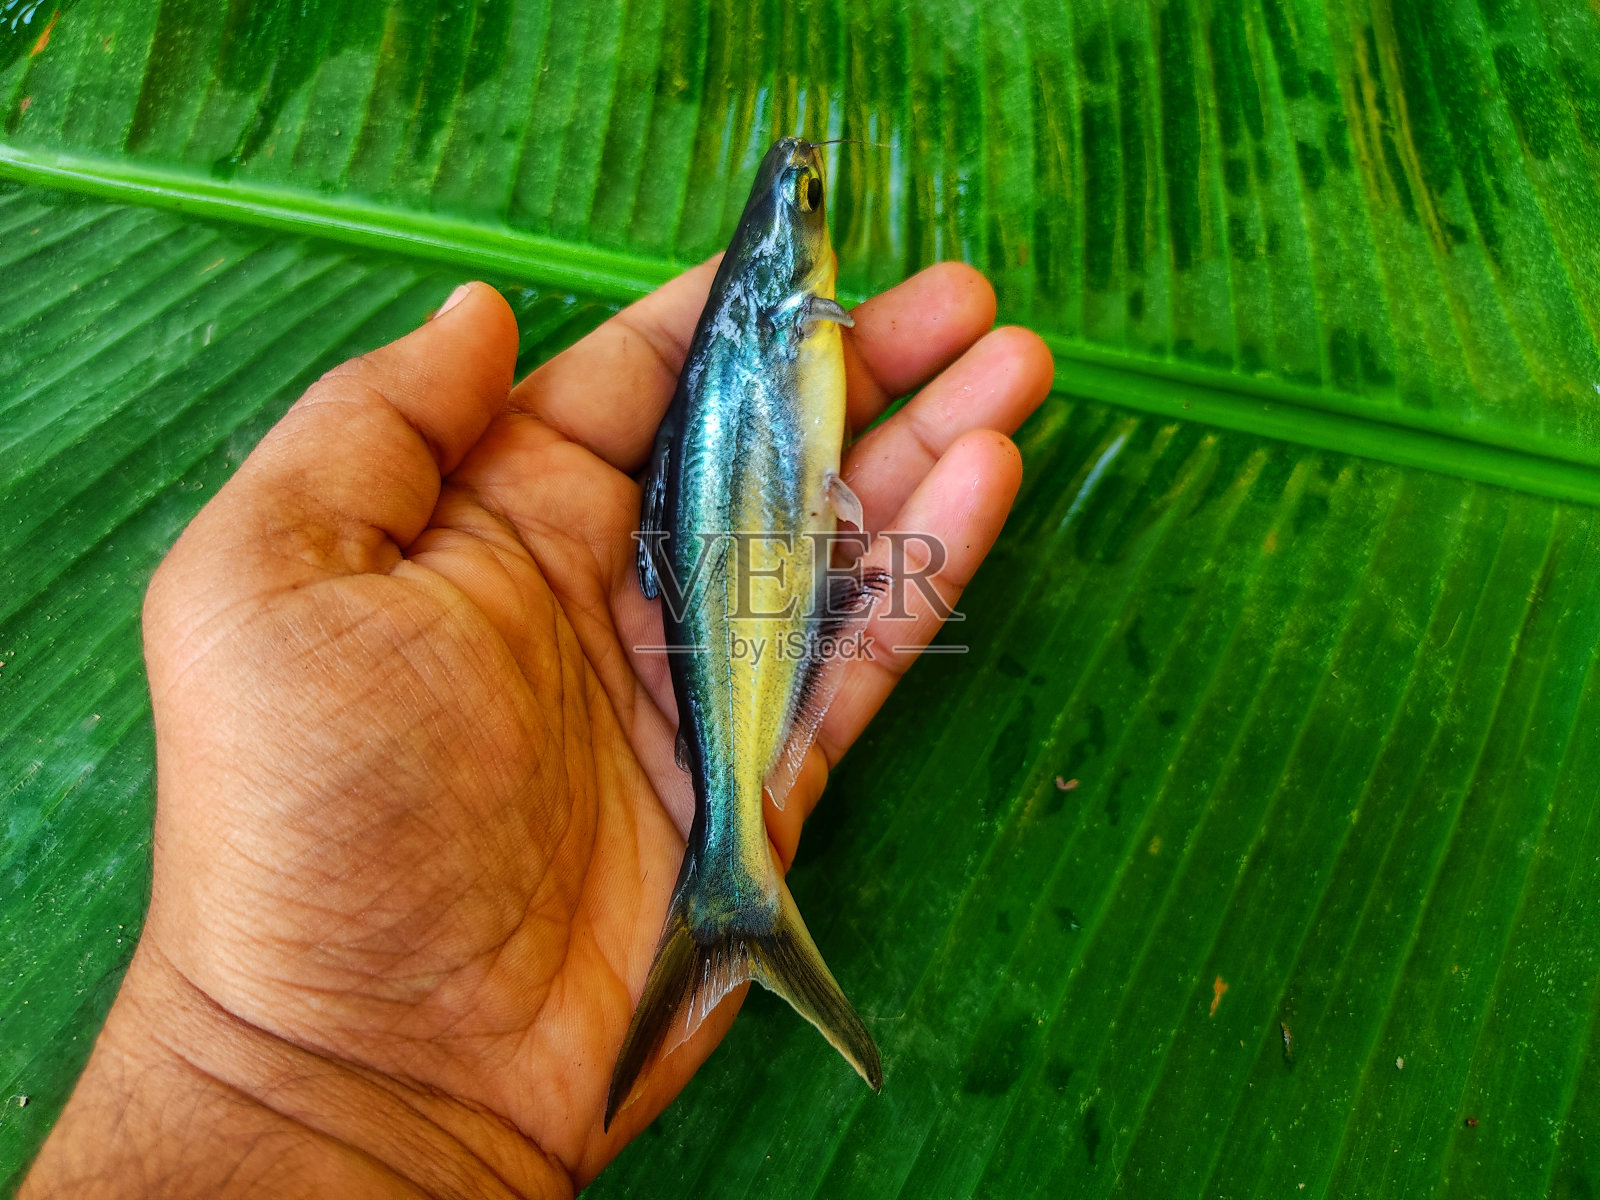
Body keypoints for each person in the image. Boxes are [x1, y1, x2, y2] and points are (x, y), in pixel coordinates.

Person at [21, 261, 1053, 1197]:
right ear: (789, 286)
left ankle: (732, 895)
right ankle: (733, 892)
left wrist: (297, 1077)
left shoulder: (772, 333)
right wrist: (305, 1072)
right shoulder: (777, 325)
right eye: (807, 212)